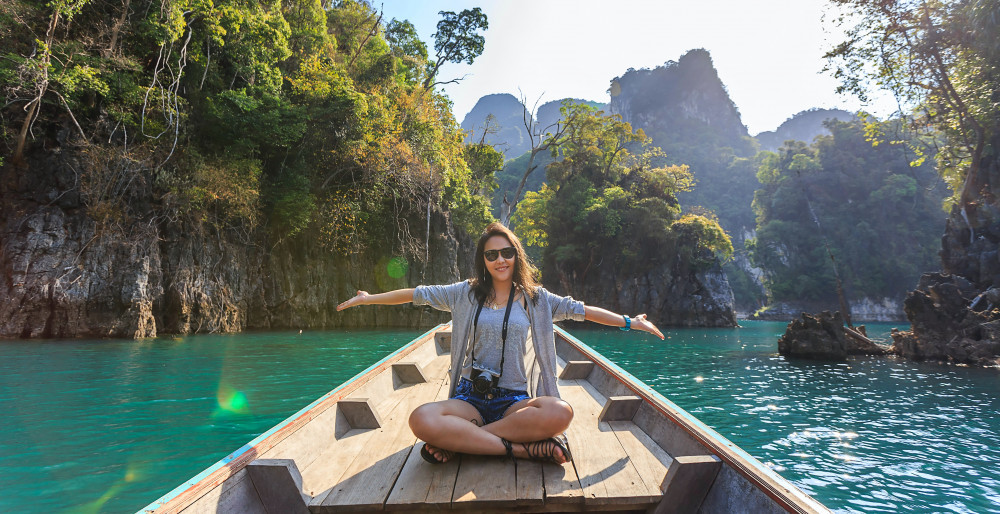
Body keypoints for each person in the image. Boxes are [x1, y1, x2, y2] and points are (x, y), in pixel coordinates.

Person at [336, 222, 664, 465]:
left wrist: (629, 322)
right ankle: (520, 449)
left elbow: (583, 311)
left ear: (516, 255)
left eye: (506, 253)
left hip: (514, 401)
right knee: (420, 419)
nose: (500, 260)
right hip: (471, 398)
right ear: (484, 259)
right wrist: (368, 299)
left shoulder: (538, 300)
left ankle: (464, 442)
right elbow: (415, 294)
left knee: (559, 411)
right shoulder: (464, 293)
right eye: (491, 254)